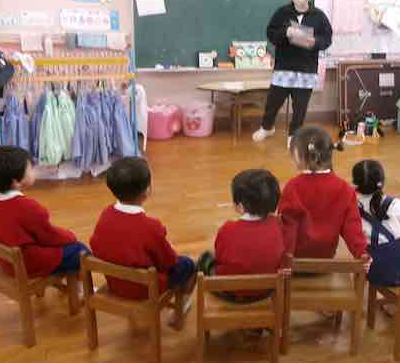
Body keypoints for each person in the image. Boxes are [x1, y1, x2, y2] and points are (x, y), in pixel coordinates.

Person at [90, 157, 195, 300]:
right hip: (146, 290)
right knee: (187, 264)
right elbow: (169, 262)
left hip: (115, 284)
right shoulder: (151, 227)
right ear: (147, 191)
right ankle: (182, 301)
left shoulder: (105, 215)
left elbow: (96, 245)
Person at [0, 146, 89, 277]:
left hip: (5, 260)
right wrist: (70, 235)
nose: (33, 171)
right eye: (30, 169)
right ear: (16, 182)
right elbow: (49, 236)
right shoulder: (27, 207)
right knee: (81, 250)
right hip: (28, 264)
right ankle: (82, 286)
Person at [253, 0, 333, 149]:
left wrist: (315, 42)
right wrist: (285, 32)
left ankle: (294, 134)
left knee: (300, 107)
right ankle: (267, 127)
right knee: (273, 102)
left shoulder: (319, 16)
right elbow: (271, 33)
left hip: (306, 70)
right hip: (284, 67)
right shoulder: (282, 12)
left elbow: (327, 38)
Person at [278, 125, 368, 260]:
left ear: (302, 156)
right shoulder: (345, 189)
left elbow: (287, 228)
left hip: (296, 261)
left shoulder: (292, 187)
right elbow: (352, 227)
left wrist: (286, 258)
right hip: (327, 259)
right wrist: (361, 252)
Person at [197, 169, 285, 302]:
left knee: (204, 259)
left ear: (240, 206)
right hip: (266, 290)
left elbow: (220, 257)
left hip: (232, 292)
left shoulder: (227, 229)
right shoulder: (278, 224)